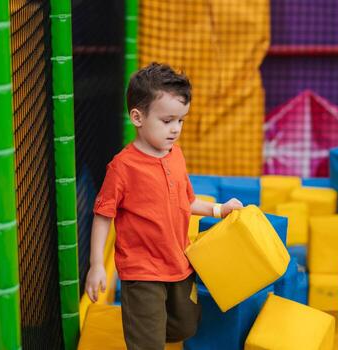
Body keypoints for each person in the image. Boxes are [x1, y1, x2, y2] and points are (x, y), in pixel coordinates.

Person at [85, 62, 243, 349]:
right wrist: (97, 264)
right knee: (149, 341)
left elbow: (188, 201)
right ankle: (144, 332)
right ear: (138, 117)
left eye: (181, 121)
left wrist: (220, 209)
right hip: (142, 272)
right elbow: (103, 216)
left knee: (186, 324)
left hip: (179, 263)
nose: (176, 130)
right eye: (167, 120)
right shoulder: (122, 168)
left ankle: (149, 328)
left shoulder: (176, 156)